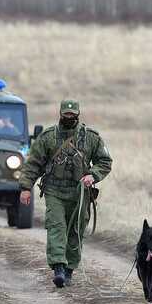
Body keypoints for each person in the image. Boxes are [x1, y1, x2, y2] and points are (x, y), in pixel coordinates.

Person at [19, 99, 112, 287]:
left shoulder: (91, 138)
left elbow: (105, 162)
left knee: (76, 232)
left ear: (78, 115)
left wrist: (92, 176)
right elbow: (33, 164)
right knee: (56, 227)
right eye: (66, 114)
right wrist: (25, 188)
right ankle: (58, 268)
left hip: (80, 193)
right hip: (55, 191)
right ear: (60, 114)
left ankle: (70, 269)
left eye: (72, 114)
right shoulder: (47, 137)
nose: (69, 117)